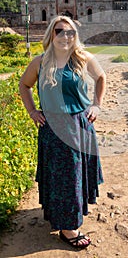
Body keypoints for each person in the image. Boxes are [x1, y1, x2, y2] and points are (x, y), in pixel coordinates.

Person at [19, 15, 106, 249]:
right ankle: (68, 227)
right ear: (51, 34)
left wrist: (96, 105)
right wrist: (32, 111)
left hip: (79, 124)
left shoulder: (82, 59)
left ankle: (68, 218)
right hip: (53, 128)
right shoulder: (40, 62)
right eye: (59, 31)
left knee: (74, 175)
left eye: (70, 32)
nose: (65, 36)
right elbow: (23, 85)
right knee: (63, 175)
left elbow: (101, 78)